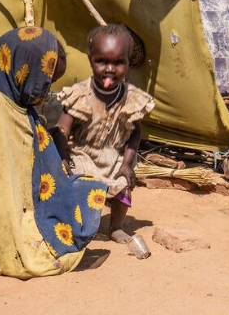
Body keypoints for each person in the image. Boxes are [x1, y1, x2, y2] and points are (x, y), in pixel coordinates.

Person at [0, 27, 107, 279]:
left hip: (29, 196)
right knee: (31, 250)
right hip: (7, 199)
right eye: (45, 80)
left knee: (82, 193)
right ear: (23, 70)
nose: (47, 87)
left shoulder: (25, 108)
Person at [54, 24, 155, 244]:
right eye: (102, 61)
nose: (110, 69)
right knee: (80, 184)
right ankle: (78, 225)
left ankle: (115, 226)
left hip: (115, 154)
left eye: (119, 62)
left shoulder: (132, 98)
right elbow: (62, 128)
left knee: (123, 184)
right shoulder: (81, 94)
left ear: (129, 63)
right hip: (83, 154)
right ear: (91, 60)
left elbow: (135, 134)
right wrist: (62, 156)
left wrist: (127, 163)